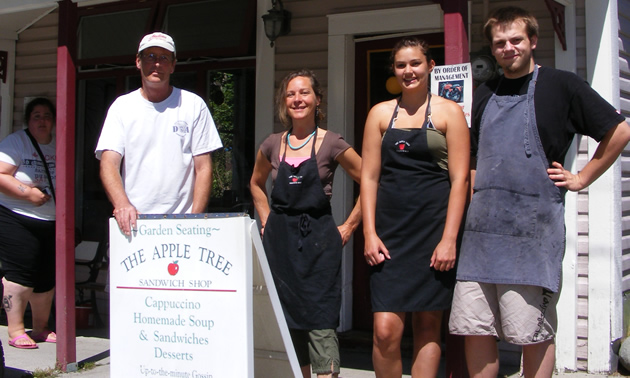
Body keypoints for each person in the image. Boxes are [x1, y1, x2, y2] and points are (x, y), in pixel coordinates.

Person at [448, 6, 630, 377]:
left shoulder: (562, 86)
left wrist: (583, 177)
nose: (508, 48)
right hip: (481, 234)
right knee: (474, 327)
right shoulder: (484, 93)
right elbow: (473, 163)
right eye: (500, 43)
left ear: (532, 41)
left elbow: (619, 130)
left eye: (516, 40)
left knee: (532, 331)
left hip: (531, 236)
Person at [361, 37, 470, 377]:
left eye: (415, 64)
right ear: (394, 70)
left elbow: (461, 180)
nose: (409, 71)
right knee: (384, 332)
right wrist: (369, 233)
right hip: (390, 234)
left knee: (427, 327)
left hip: (433, 232)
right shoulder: (380, 113)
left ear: (430, 66)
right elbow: (368, 178)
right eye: (401, 65)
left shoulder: (449, 112)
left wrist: (449, 239)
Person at [250, 69, 362, 378]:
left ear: (317, 100)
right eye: (290, 94)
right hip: (280, 243)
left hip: (319, 241)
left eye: (304, 93)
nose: (297, 99)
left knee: (319, 316)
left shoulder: (332, 143)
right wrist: (266, 219)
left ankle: (326, 372)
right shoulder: (273, 144)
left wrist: (349, 226)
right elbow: (256, 183)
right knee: (287, 317)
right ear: (283, 102)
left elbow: (370, 180)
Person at [95, 32, 222, 233]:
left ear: (173, 65)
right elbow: (109, 163)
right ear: (138, 62)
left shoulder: (193, 105)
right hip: (134, 223)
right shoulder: (121, 107)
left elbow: (204, 168)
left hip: (183, 223)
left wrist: (194, 219)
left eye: (164, 58)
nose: (157, 64)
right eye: (150, 57)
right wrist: (122, 204)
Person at [0, 97, 57, 349]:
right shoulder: (16, 142)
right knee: (21, 273)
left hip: (51, 219)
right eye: (36, 116)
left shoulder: (58, 143)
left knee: (45, 276)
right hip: (16, 216)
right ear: (28, 120)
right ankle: (15, 330)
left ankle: (41, 328)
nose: (42, 120)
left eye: (46, 115)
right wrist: (27, 193)